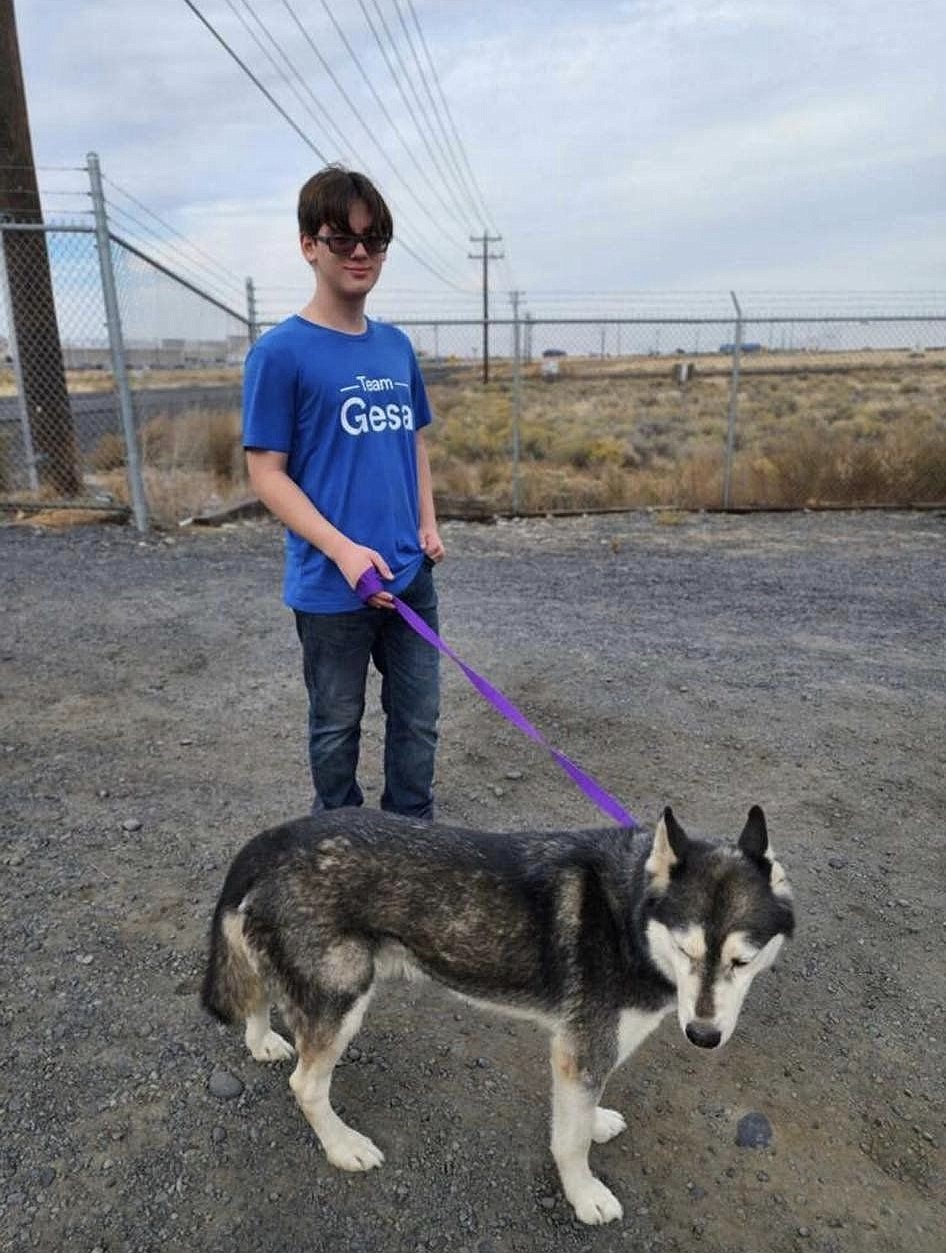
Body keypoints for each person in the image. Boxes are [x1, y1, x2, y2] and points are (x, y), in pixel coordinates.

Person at [242, 165, 444, 819]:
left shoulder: (395, 347)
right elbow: (265, 471)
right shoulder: (281, 353)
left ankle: (411, 836)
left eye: (375, 238)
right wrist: (342, 549)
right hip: (334, 588)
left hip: (408, 576)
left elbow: (412, 439)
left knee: (418, 719)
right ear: (309, 245)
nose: (361, 252)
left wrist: (428, 523)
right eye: (343, 238)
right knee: (337, 726)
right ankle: (340, 837)